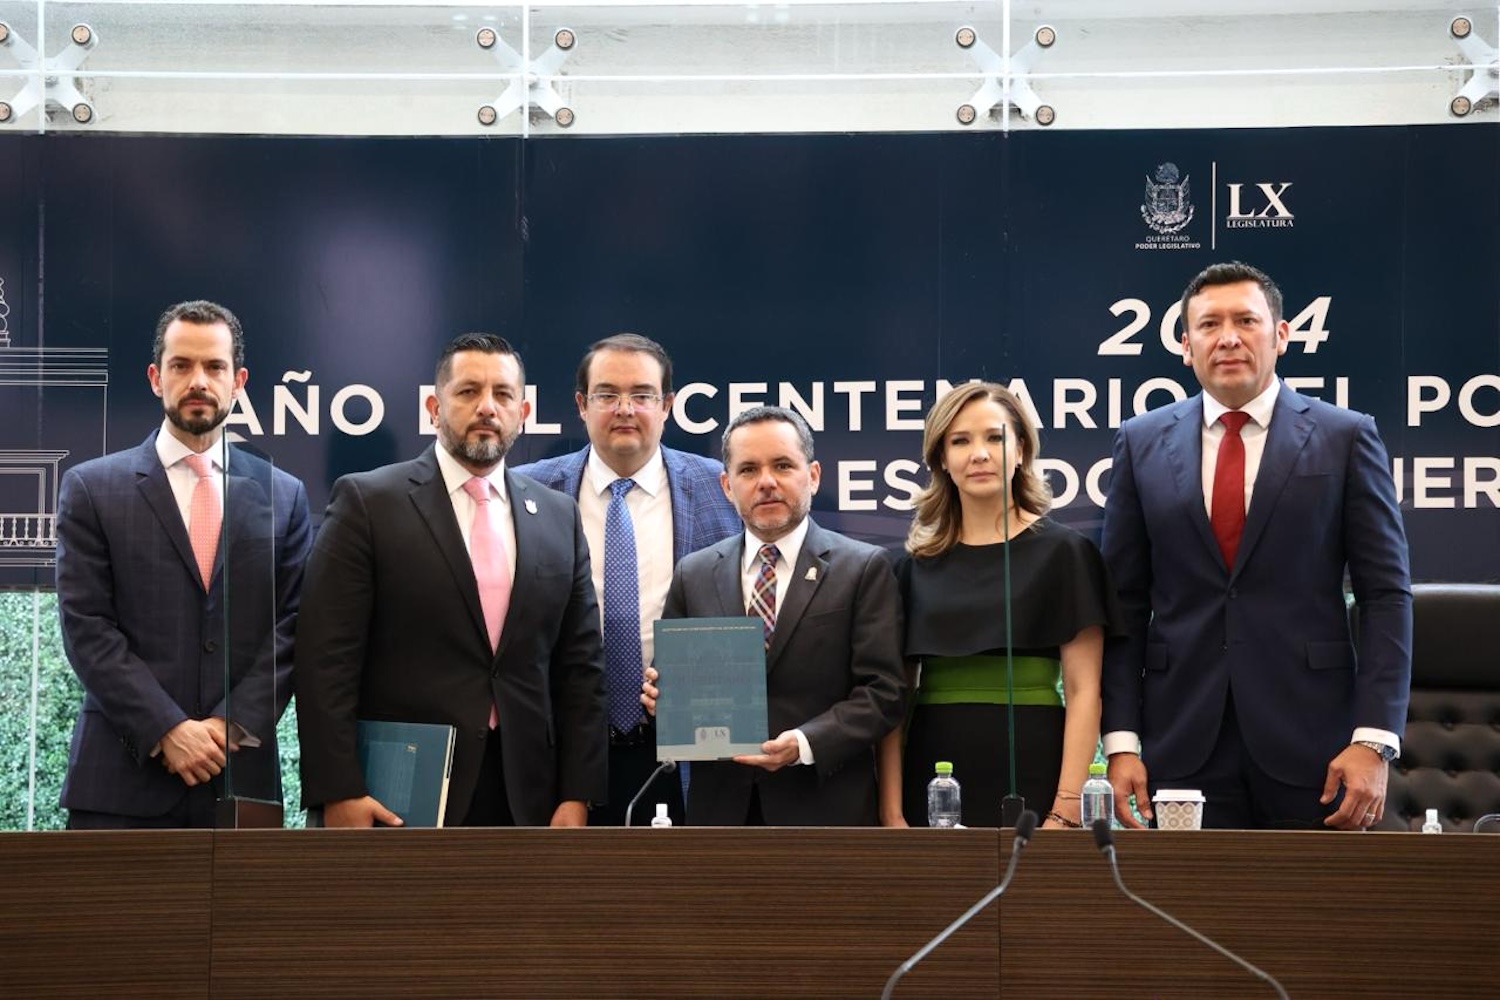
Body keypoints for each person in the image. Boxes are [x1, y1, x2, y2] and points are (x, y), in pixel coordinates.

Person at [1101, 261, 1412, 830]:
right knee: (1183, 891)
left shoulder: (1345, 437)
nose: (1228, 338)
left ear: (1281, 334)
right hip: (1180, 742)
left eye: (1246, 320)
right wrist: (1121, 742)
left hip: (1319, 744)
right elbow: (1123, 604)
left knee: (1314, 892)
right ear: (1186, 346)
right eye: (1209, 324)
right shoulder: (1139, 442)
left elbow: (1386, 595)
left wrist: (1373, 739)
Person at [295, 333, 606, 827]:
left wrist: (577, 794)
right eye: (468, 392)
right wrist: (339, 788)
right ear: (433, 407)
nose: (487, 407)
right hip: (399, 794)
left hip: (529, 798)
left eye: (503, 394)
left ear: (523, 412)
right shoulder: (368, 503)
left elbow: (580, 669)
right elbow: (324, 660)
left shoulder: (558, 515)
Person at [56, 300, 311, 829]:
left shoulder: (284, 495)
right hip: (120, 785)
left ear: (238, 381)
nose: (198, 381)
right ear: (156, 378)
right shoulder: (91, 488)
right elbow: (87, 628)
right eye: (181, 365)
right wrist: (167, 729)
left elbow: (292, 628)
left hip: (240, 781)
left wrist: (228, 726)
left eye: (214, 366)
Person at [513, 333, 740, 825]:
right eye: (607, 394)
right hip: (567, 755)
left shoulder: (722, 488)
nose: (624, 409)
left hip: (686, 753)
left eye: (641, 395)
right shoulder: (527, 490)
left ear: (667, 406)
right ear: (581, 405)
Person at [642, 406, 906, 826]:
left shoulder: (863, 568)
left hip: (827, 814)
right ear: (727, 486)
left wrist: (804, 743)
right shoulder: (694, 573)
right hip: (720, 817)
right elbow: (671, 688)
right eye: (748, 470)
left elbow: (884, 693)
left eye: (782, 465)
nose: (766, 482)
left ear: (813, 476)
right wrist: (664, 701)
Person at [879, 382, 1118, 829]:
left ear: (1021, 449)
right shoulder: (911, 566)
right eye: (960, 441)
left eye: (995, 437)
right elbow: (894, 701)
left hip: (1038, 766)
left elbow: (1084, 690)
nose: (979, 454)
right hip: (932, 776)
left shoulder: (1067, 554)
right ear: (941, 459)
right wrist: (891, 812)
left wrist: (1067, 808)